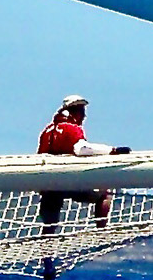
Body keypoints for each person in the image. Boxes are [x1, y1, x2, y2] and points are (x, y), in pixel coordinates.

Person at [36, 94, 130, 233]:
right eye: (82, 112)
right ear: (74, 112)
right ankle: (101, 230)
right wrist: (112, 150)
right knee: (105, 194)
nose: (84, 116)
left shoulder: (47, 131)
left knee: (50, 216)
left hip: (49, 184)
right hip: (69, 181)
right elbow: (81, 149)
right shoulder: (71, 128)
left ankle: (46, 237)